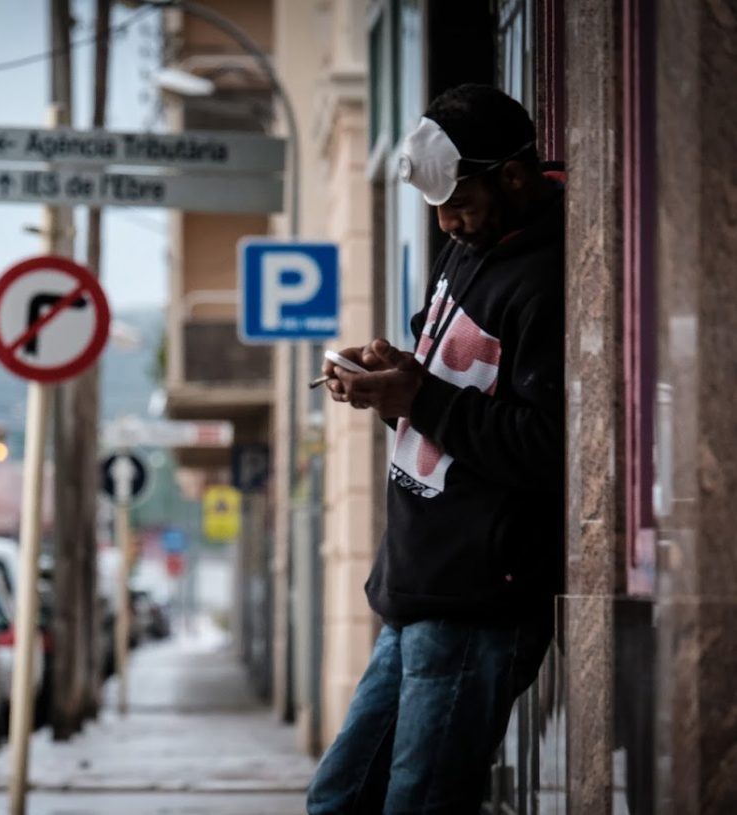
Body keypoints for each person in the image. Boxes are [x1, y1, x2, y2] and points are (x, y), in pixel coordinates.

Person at [306, 83, 565, 814]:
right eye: (440, 211)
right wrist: (386, 376)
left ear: (512, 177)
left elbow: (550, 447)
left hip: (482, 596)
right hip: (419, 583)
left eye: (460, 204)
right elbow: (442, 384)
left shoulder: (554, 277)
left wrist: (415, 396)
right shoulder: (465, 249)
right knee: (336, 800)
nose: (449, 223)